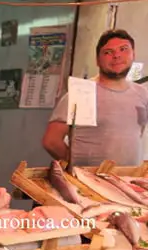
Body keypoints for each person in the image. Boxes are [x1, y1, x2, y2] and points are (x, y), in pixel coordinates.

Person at [42, 29, 148, 166]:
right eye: (108, 52)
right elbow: (51, 141)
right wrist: (78, 166)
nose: (117, 56)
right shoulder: (83, 92)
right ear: (97, 60)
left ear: (133, 54)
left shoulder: (142, 94)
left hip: (128, 183)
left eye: (123, 49)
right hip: (87, 184)